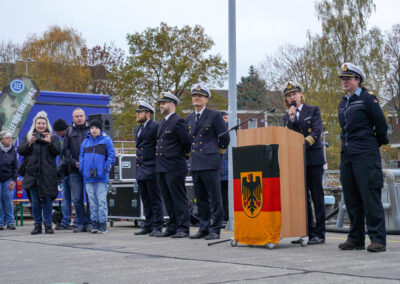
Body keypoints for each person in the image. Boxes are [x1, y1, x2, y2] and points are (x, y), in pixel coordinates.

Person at [337, 63, 388, 253]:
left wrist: (374, 144)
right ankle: (355, 238)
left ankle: (378, 239)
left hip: (365, 154)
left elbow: (381, 126)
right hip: (347, 156)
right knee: (352, 199)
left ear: (358, 80)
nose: (344, 82)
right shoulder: (343, 103)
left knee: (370, 196)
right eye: (343, 79)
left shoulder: (368, 99)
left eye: (348, 78)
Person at [282, 81, 326, 245]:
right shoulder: (287, 116)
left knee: (317, 196)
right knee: (302, 198)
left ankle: (320, 233)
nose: (291, 97)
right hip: (296, 161)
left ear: (301, 95)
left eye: (294, 94)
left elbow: (317, 131)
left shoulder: (312, 110)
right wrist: (291, 119)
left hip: (312, 159)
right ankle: (307, 231)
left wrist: (303, 143)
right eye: (288, 95)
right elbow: (287, 135)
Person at [186, 83, 230, 240]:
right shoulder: (190, 117)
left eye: (200, 96)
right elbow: (189, 139)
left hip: (210, 161)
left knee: (215, 197)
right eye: (194, 96)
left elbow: (224, 137)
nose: (196, 98)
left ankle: (215, 229)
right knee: (201, 198)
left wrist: (218, 154)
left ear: (206, 99)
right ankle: (203, 227)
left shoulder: (214, 115)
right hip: (196, 162)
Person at [17, 111, 61, 234]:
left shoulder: (53, 137)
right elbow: (21, 151)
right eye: (38, 123)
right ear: (35, 124)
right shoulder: (28, 136)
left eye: (43, 123)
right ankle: (37, 225)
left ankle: (48, 225)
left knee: (47, 201)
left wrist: (49, 143)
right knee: (35, 201)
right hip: (32, 175)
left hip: (48, 175)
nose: (41, 125)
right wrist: (29, 143)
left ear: (46, 124)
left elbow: (57, 151)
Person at [156, 92, 191, 238]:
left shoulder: (178, 121)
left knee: (178, 197)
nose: (160, 106)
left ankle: (183, 227)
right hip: (162, 166)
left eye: (163, 103)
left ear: (172, 104)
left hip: (174, 165)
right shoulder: (163, 122)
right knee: (167, 198)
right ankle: (173, 225)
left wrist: (180, 156)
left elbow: (187, 143)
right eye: (160, 103)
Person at [133, 101, 164, 237]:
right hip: (141, 168)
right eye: (137, 112)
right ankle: (148, 224)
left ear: (148, 114)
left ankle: (157, 225)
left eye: (140, 112)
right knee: (145, 199)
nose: (138, 115)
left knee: (155, 199)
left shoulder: (155, 126)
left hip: (152, 167)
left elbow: (159, 146)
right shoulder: (137, 129)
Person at [79, 120, 115, 234]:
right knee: (92, 202)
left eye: (96, 127)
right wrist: (82, 167)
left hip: (101, 177)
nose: (93, 129)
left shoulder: (107, 140)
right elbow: (81, 156)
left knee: (101, 201)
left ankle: (102, 224)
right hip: (88, 177)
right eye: (92, 127)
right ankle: (94, 223)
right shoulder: (85, 142)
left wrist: (105, 168)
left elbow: (111, 156)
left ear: (100, 129)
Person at [63, 108, 92, 233]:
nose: (79, 118)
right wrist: (74, 162)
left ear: (85, 117)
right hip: (74, 169)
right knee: (77, 198)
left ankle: (90, 222)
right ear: (73, 118)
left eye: (81, 116)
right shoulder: (69, 130)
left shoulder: (92, 129)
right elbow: (65, 150)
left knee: (90, 197)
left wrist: (87, 162)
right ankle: (80, 222)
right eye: (76, 116)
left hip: (90, 168)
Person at [53, 118, 79, 230]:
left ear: (61, 130)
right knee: (70, 199)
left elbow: (65, 158)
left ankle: (69, 222)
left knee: (71, 199)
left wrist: (58, 171)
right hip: (67, 172)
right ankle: (70, 221)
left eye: (57, 131)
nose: (56, 133)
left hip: (70, 172)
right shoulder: (65, 137)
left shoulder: (67, 138)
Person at [0, 131, 17, 230]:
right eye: (7, 138)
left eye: (11, 138)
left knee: (8, 201)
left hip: (8, 179)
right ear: (1, 139)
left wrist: (14, 180)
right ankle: (0, 223)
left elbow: (15, 166)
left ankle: (10, 223)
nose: (10, 140)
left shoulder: (12, 150)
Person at [220, 111, 229, 223]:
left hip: (227, 172)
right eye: (222, 118)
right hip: (221, 172)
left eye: (226, 118)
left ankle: (226, 216)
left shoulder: (229, 130)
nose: (224, 120)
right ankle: (224, 216)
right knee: (222, 196)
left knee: (226, 196)